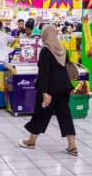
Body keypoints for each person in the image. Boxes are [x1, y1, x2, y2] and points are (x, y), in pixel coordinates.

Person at [19, 25, 78, 156]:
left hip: (50, 89)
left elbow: (44, 73)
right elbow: (66, 69)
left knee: (41, 114)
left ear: (45, 35)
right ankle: (72, 146)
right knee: (65, 115)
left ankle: (31, 141)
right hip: (64, 88)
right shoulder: (63, 48)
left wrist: (44, 92)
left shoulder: (46, 51)